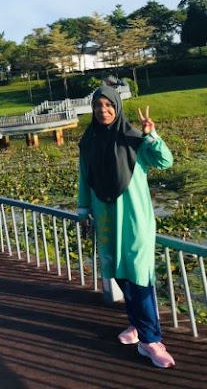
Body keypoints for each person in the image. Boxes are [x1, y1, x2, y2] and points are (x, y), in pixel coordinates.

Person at [77, 85, 175, 368]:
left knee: (140, 276)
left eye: (108, 105)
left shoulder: (134, 139)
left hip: (135, 220)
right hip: (106, 219)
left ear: (117, 107)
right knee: (120, 274)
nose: (103, 110)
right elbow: (84, 179)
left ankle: (151, 340)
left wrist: (151, 135)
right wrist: (83, 210)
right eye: (98, 106)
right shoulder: (89, 141)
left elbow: (165, 161)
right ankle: (137, 324)